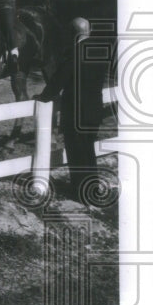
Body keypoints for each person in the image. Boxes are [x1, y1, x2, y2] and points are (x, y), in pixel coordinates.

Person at [36, 17, 111, 201]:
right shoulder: (100, 52)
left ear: (73, 34)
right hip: (94, 111)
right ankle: (93, 189)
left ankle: (81, 192)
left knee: (77, 154)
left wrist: (43, 97)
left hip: (76, 113)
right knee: (88, 151)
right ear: (88, 31)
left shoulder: (73, 53)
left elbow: (57, 82)